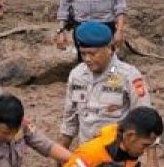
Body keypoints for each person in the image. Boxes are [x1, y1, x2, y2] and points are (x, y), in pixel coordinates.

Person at [59, 21, 151, 150]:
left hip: (118, 154)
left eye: (92, 53)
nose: (87, 59)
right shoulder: (77, 75)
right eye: (83, 54)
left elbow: (146, 118)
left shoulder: (129, 75)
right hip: (87, 152)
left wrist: (152, 157)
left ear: (109, 49)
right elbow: (70, 118)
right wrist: (62, 150)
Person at [44, 107, 163, 167]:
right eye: (145, 145)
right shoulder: (90, 153)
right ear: (131, 135)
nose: (144, 151)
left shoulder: (130, 153)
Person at [0, 94, 71, 167]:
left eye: (15, 132)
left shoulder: (22, 125)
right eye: (6, 132)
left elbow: (46, 145)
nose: (11, 137)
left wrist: (75, 159)